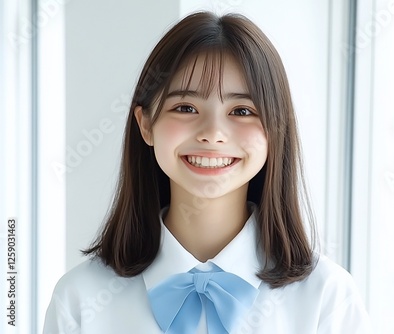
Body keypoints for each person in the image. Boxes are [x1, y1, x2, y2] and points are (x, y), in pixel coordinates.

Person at [43, 11, 371, 334]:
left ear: (275, 130)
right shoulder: (80, 300)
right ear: (146, 124)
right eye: (185, 107)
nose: (213, 133)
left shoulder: (327, 299)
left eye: (242, 111)